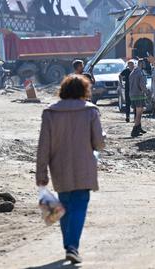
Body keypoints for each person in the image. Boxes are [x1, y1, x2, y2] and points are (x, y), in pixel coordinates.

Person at [36, 75, 105, 264]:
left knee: (64, 205)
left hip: (59, 168)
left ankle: (69, 246)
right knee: (79, 205)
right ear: (84, 91)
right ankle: (72, 246)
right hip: (84, 167)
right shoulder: (91, 111)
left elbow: (44, 146)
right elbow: (99, 144)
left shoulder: (50, 113)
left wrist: (41, 173)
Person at [129, 59, 148, 137]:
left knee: (137, 112)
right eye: (144, 63)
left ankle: (138, 128)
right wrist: (147, 92)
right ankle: (135, 130)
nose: (145, 65)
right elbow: (142, 85)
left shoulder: (133, 72)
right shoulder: (141, 72)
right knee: (139, 114)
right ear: (141, 64)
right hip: (139, 95)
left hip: (132, 95)